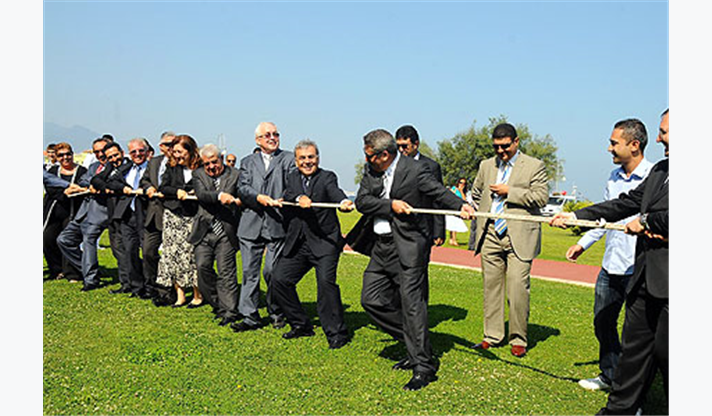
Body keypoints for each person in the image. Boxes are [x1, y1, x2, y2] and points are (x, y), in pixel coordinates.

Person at [551, 109, 669, 414]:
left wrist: (648, 222)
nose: (658, 139)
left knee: (665, 353)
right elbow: (623, 204)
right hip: (641, 277)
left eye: (664, 132)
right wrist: (577, 217)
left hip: (667, 281)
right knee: (632, 349)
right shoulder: (661, 172)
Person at [347, 129, 474, 391]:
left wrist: (459, 206)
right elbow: (362, 201)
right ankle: (416, 341)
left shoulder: (415, 170)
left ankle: (423, 367)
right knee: (370, 299)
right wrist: (390, 205)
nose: (366, 160)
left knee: (413, 305)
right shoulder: (371, 171)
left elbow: (437, 191)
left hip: (408, 247)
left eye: (370, 156)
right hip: (380, 247)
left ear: (384, 154)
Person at [568, 119, 653, 392]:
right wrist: (583, 243)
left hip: (638, 268)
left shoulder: (654, 178)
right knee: (602, 321)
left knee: (635, 333)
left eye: (614, 143)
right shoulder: (613, 177)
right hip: (611, 266)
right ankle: (610, 375)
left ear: (634, 145)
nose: (609, 148)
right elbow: (605, 216)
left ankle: (633, 388)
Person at [468, 122, 548, 358]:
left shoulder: (534, 165)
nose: (501, 151)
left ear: (516, 141)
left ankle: (518, 339)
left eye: (505, 146)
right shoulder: (486, 165)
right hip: (490, 233)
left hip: (520, 235)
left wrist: (509, 192)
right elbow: (476, 193)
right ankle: (492, 336)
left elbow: (541, 197)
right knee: (491, 288)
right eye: (496, 147)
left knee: (517, 288)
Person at [271, 140, 354, 349]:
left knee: (326, 284)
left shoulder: (327, 177)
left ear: (318, 158)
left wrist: (343, 202)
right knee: (279, 279)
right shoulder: (292, 177)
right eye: (302, 158)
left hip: (325, 242)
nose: (307, 162)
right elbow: (290, 194)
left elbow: (334, 192)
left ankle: (337, 333)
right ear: (296, 161)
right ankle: (301, 325)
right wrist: (299, 197)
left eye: (311, 157)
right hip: (298, 243)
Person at [232, 122, 296, 332]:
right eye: (267, 135)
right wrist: (258, 197)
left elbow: (294, 185)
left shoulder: (289, 159)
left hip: (277, 223)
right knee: (249, 273)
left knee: (272, 272)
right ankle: (249, 316)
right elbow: (242, 188)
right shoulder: (247, 162)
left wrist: (285, 198)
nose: (272, 137)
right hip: (250, 225)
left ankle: (277, 312)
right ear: (258, 140)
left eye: (275, 134)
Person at [189, 144, 242, 326]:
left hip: (226, 231)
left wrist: (238, 201)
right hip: (204, 231)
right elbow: (202, 194)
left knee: (226, 272)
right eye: (207, 164)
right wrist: (220, 196)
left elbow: (241, 193)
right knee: (202, 268)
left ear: (221, 159)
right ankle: (218, 303)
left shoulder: (235, 174)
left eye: (214, 162)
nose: (211, 167)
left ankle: (230, 311)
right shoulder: (198, 174)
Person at [95, 139, 151, 298]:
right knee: (129, 252)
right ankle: (136, 287)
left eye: (140, 151)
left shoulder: (152, 168)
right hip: (127, 215)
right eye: (133, 152)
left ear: (147, 151)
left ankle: (151, 287)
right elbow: (108, 181)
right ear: (129, 153)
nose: (137, 154)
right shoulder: (126, 168)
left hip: (146, 215)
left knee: (148, 253)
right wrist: (122, 188)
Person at [57, 137, 112, 291]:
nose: (100, 154)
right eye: (96, 152)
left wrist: (96, 185)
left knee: (88, 240)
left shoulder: (116, 166)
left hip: (101, 212)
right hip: (84, 212)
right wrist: (91, 184)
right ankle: (88, 269)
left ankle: (91, 280)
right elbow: (83, 181)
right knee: (64, 239)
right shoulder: (94, 166)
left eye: (102, 151)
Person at [157, 134, 202, 308]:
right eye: (174, 152)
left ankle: (197, 294)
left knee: (191, 256)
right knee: (172, 255)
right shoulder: (171, 167)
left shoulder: (200, 168)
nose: (177, 155)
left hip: (192, 216)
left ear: (190, 151)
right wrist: (177, 192)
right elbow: (163, 187)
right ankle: (180, 295)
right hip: (173, 215)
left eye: (180, 152)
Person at [90, 142, 135, 294]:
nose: (114, 159)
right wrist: (105, 188)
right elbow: (96, 180)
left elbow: (114, 180)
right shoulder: (110, 167)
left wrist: (111, 186)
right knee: (117, 250)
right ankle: (125, 283)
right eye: (110, 157)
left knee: (128, 250)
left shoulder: (129, 166)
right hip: (113, 213)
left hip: (126, 214)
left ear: (122, 152)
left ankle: (134, 282)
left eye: (116, 155)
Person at [394, 125, 446, 247]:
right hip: (397, 225)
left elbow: (437, 200)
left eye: (404, 146)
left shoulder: (431, 167)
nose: (401, 150)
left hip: (422, 227)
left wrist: (439, 230)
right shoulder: (392, 165)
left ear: (416, 144)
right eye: (398, 146)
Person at [140, 131, 176, 303]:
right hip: (153, 215)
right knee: (148, 251)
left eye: (174, 144)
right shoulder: (154, 162)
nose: (171, 147)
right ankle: (152, 286)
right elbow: (145, 180)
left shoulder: (179, 162)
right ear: (161, 147)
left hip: (172, 213)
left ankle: (168, 291)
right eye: (168, 144)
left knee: (170, 256)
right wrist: (148, 188)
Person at [43, 142, 87, 281]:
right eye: (61, 155)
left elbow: (84, 187)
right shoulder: (52, 171)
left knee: (67, 240)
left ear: (72, 154)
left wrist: (72, 191)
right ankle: (56, 269)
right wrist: (65, 192)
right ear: (56, 157)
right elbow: (50, 187)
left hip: (73, 211)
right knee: (47, 239)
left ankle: (72, 273)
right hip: (54, 212)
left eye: (68, 154)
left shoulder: (82, 171)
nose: (65, 157)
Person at [446, 178, 469, 245]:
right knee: (452, 224)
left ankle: (454, 239)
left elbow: (464, 200)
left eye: (464, 183)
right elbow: (449, 196)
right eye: (461, 183)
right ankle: (452, 239)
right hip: (452, 208)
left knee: (455, 224)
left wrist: (461, 191)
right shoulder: (454, 189)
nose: (462, 184)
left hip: (458, 209)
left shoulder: (464, 192)